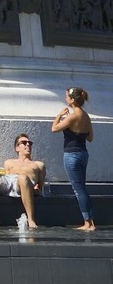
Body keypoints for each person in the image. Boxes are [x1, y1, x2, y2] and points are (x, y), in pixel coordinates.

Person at [52, 87, 95, 231]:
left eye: (66, 97)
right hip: (83, 153)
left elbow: (54, 129)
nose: (65, 99)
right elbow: (90, 138)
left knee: (78, 190)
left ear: (72, 100)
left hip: (72, 155)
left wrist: (59, 115)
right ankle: (91, 221)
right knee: (82, 188)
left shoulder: (73, 116)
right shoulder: (86, 116)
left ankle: (87, 223)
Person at [0, 134, 46, 229]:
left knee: (23, 178)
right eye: (24, 143)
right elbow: (7, 178)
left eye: (30, 143)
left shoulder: (38, 165)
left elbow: (39, 185)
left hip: (24, 184)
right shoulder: (8, 162)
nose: (28, 145)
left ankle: (31, 219)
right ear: (17, 148)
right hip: (9, 182)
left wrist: (36, 189)